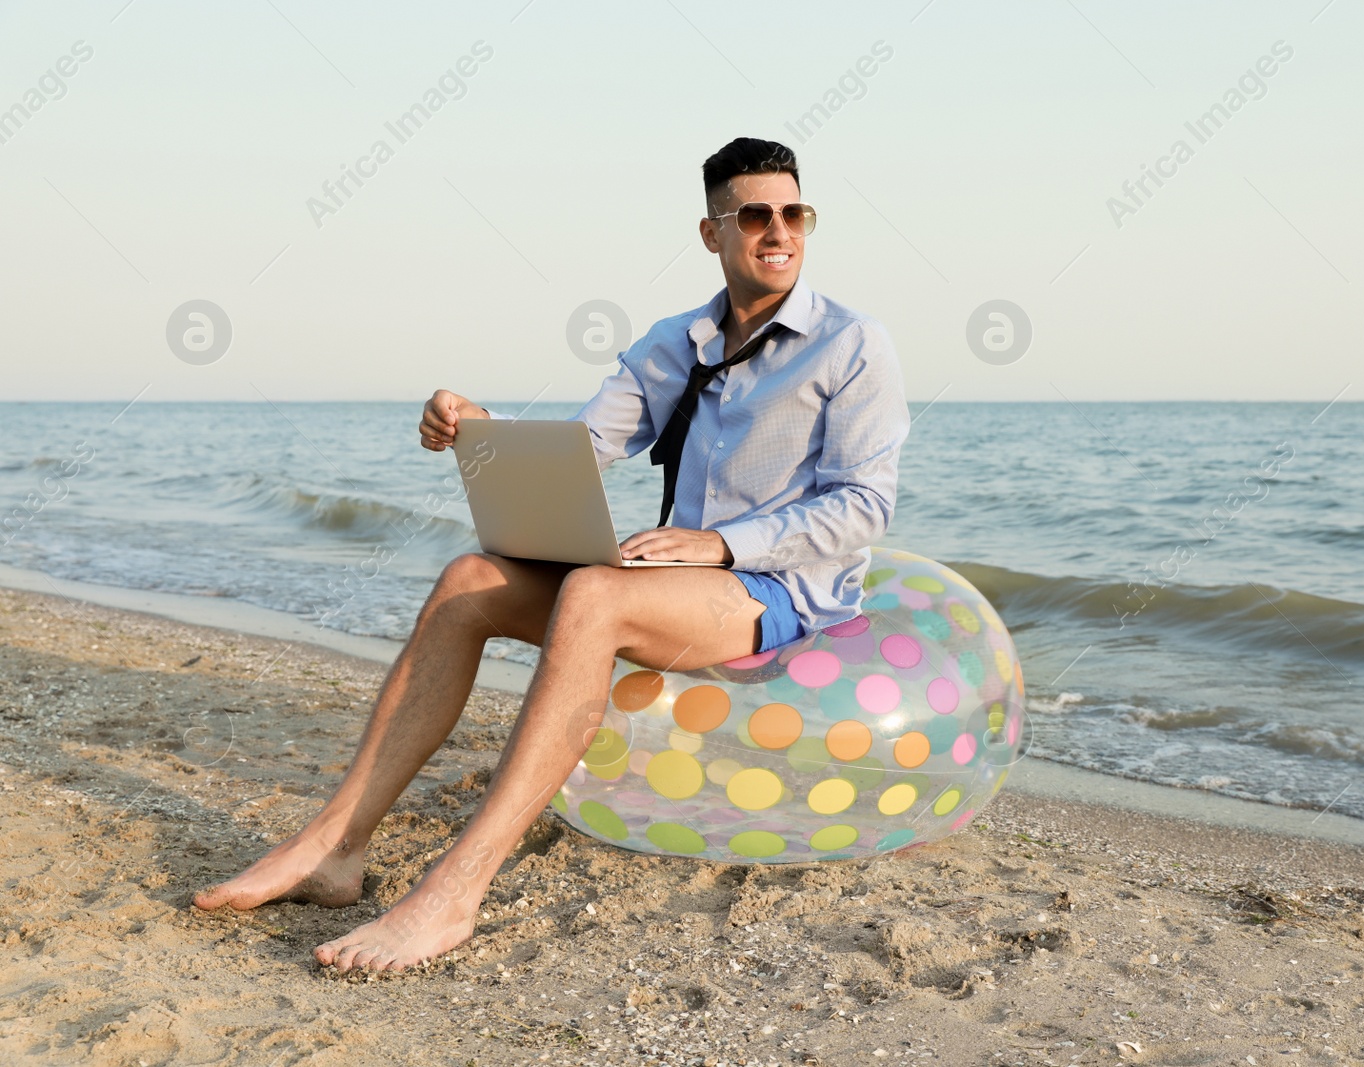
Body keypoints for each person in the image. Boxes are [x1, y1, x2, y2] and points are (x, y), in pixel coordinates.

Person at [192, 136, 911, 973]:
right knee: (470, 579)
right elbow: (578, 448)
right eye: (756, 214)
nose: (779, 231)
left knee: (595, 596)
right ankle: (333, 848)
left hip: (782, 592)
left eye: (795, 213)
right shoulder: (674, 343)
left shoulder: (854, 344)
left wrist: (719, 543)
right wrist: (477, 429)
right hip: (674, 582)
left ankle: (454, 891)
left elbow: (866, 505)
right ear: (713, 233)